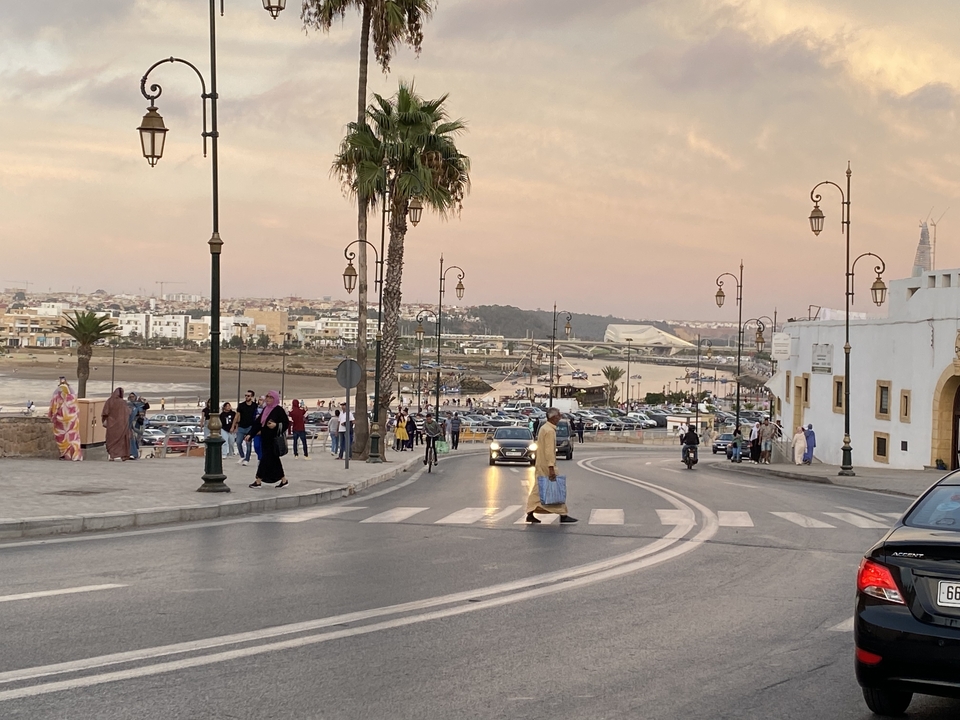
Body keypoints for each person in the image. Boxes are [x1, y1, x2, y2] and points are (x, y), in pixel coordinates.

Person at [526, 408, 577, 524]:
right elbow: (549, 450)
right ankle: (563, 514)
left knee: (539, 490)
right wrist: (551, 468)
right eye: (559, 415)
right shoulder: (549, 431)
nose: (560, 417)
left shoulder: (544, 428)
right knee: (557, 489)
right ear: (554, 417)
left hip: (541, 464)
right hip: (547, 465)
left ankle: (530, 512)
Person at [248, 390, 290, 488]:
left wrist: (276, 425)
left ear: (275, 399)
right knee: (274, 460)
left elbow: (286, 424)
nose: (268, 399)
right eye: (267, 397)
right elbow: (258, 424)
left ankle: (258, 480)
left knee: (264, 459)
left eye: (271, 397)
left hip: (273, 440)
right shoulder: (266, 409)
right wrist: (250, 434)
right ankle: (283, 480)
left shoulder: (278, 410)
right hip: (265, 439)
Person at [48, 380, 81, 461]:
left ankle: (65, 454)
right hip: (73, 421)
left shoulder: (57, 397)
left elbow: (53, 409)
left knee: (63, 439)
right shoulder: (72, 397)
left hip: (61, 422)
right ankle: (75, 455)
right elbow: (76, 409)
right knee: (73, 439)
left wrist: (53, 416)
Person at [102, 388, 132, 461]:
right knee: (122, 440)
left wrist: (105, 421)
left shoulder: (109, 401)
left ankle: (112, 456)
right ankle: (123, 455)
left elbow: (105, 412)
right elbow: (128, 412)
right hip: (122, 425)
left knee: (111, 440)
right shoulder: (123, 403)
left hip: (111, 425)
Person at [232, 390, 258, 467]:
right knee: (238, 442)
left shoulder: (254, 406)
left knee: (248, 444)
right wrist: (233, 426)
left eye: (248, 396)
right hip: (241, 427)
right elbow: (237, 416)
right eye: (246, 395)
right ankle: (242, 456)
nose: (246, 397)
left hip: (250, 427)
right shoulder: (241, 405)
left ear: (252, 397)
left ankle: (247, 459)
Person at [127, 392, 144, 460]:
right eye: (130, 397)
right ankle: (131, 453)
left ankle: (134, 454)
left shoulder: (139, 406)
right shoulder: (127, 405)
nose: (131, 398)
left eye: (133, 396)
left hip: (136, 425)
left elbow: (142, 414)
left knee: (134, 439)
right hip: (128, 425)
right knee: (130, 439)